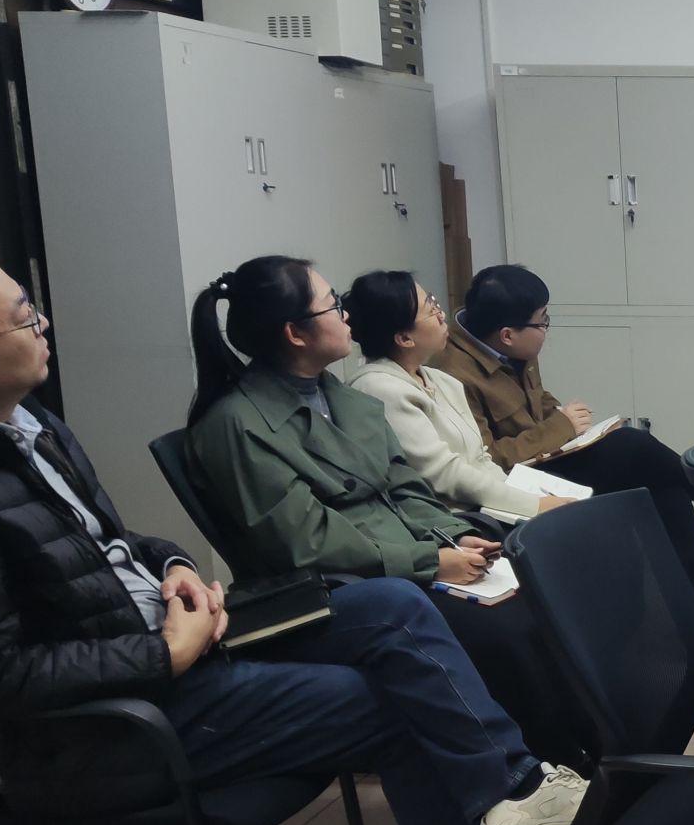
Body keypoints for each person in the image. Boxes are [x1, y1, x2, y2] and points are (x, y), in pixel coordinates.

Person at [0, 250, 590, 825]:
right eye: (24, 317)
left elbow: (113, 545)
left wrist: (174, 566)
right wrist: (164, 653)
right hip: (112, 724)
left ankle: (515, 790)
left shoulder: (29, 426)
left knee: (393, 607)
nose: (44, 324)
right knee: (396, 699)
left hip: (183, 644)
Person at [183, 255, 592, 768]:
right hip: (338, 589)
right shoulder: (239, 426)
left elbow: (404, 487)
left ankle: (590, 751)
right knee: (504, 631)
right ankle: (543, 770)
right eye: (332, 305)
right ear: (295, 333)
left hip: (404, 560)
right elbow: (309, 541)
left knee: (540, 599)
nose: (345, 314)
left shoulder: (339, 398)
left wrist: (452, 535)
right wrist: (429, 561)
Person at [434, 265, 694, 605]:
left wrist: (572, 426)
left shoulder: (510, 345)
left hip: (548, 458)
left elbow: (538, 400)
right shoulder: (453, 373)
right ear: (507, 335)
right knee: (631, 445)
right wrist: (561, 426)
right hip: (513, 484)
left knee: (665, 488)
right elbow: (488, 457)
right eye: (542, 322)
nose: (546, 329)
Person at [341, 270, 575, 522]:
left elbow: (481, 458)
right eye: (430, 310)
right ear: (405, 338)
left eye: (434, 301)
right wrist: (532, 505)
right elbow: (444, 473)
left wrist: (528, 497)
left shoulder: (440, 380)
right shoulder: (380, 389)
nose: (442, 315)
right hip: (450, 520)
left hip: (485, 506)